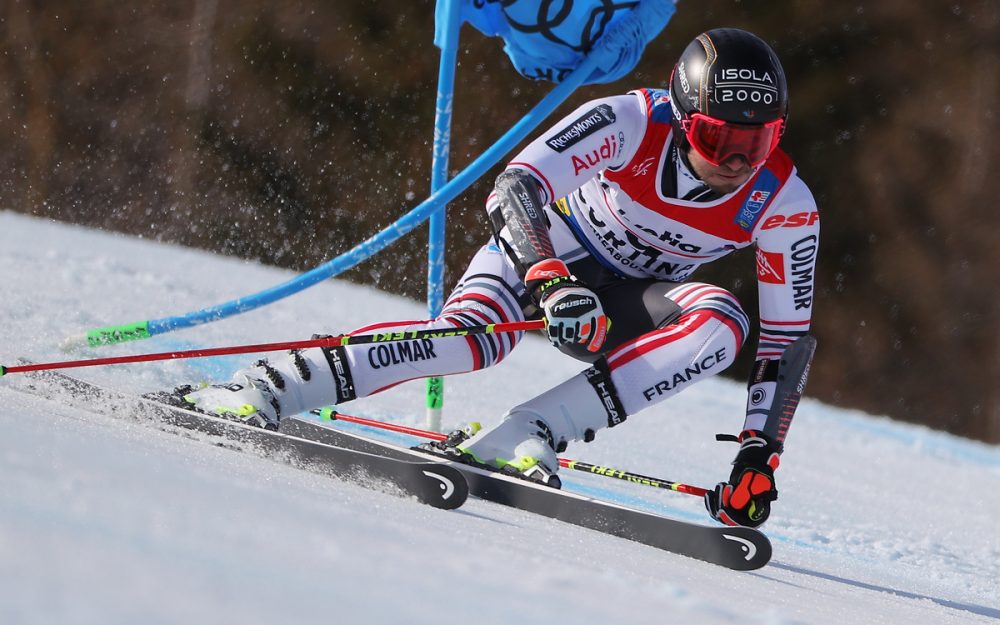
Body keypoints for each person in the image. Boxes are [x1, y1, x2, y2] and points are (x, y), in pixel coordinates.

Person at [173, 28, 819, 528]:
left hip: (625, 303)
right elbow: (517, 186)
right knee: (470, 342)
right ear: (683, 118)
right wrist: (550, 279)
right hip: (543, 257)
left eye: (756, 143)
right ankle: (269, 384)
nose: (735, 161)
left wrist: (759, 454)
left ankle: (529, 434)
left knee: (724, 324)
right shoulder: (628, 121)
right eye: (716, 138)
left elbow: (785, 342)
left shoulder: (786, 203)